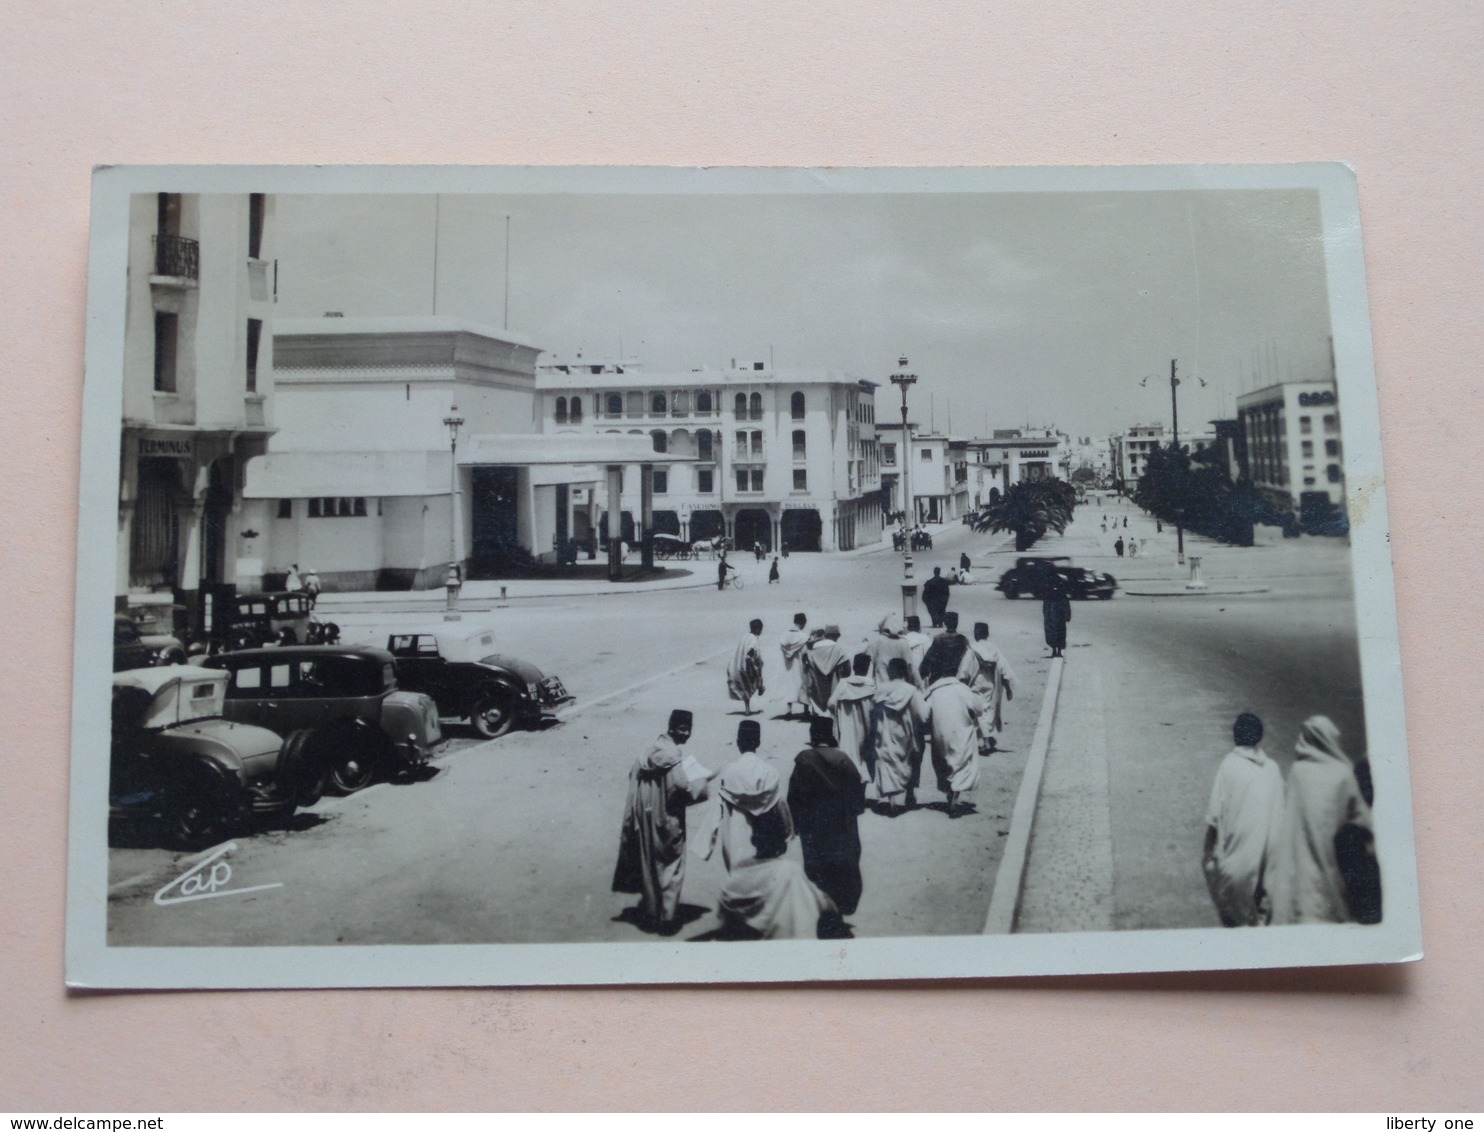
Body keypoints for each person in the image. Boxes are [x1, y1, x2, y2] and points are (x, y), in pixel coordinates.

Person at [1269, 715, 1380, 925]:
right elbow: (1364, 824)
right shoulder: (1344, 774)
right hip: (1333, 872)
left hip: (1300, 878)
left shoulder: (1298, 772)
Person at [612, 710, 716, 933]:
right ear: (674, 728)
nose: (687, 734)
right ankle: (667, 918)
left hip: (644, 815)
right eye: (684, 730)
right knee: (672, 863)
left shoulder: (648, 750)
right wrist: (707, 779)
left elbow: (632, 776)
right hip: (666, 816)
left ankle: (651, 912)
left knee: (648, 861)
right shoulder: (673, 757)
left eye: (689, 730)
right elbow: (684, 787)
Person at [1200, 713, 1285, 927]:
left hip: (1237, 869)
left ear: (1236, 736)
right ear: (1259, 737)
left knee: (1235, 920)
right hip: (1270, 868)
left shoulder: (1229, 765)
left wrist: (1207, 852)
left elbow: (1214, 815)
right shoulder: (1272, 768)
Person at [788, 716, 866, 936]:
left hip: (813, 829)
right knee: (842, 869)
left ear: (813, 736)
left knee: (816, 869)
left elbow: (793, 797)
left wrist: (795, 825)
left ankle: (823, 913)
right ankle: (837, 913)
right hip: (841, 828)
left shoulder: (804, 760)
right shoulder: (843, 760)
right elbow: (857, 797)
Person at [714, 809, 833, 940]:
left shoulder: (739, 871)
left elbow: (724, 915)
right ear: (782, 842)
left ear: (754, 839)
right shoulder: (789, 870)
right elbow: (824, 904)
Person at [693, 723, 794, 873]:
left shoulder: (729, 772)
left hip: (735, 840)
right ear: (758, 743)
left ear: (738, 742)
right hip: (763, 841)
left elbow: (717, 810)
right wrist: (788, 831)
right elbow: (781, 805)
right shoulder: (769, 772)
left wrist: (704, 845)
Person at [868, 657, 929, 814]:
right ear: (905, 672)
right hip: (908, 735)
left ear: (889, 672)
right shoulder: (911, 691)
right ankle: (910, 792)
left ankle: (892, 800)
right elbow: (923, 715)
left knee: (887, 764)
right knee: (912, 761)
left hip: (886, 734)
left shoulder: (880, 690)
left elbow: (872, 711)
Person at [924, 666, 984, 816]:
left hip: (940, 734)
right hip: (961, 732)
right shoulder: (962, 689)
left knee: (945, 763)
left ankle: (951, 791)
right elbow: (979, 708)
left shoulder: (933, 692)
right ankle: (955, 797)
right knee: (962, 763)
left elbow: (925, 715)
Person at [957, 621, 1014, 755]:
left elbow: (964, 671)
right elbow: (1003, 668)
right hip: (990, 684)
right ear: (987, 634)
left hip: (976, 683)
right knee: (987, 709)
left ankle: (985, 740)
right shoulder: (993, 649)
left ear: (976, 634)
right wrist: (1007, 687)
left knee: (977, 711)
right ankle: (987, 738)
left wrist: (961, 683)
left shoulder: (972, 649)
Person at [827, 653, 877, 785]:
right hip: (866, 729)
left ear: (854, 667)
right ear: (867, 668)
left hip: (847, 730)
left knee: (849, 759)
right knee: (865, 760)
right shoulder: (871, 685)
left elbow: (831, 704)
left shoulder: (843, 683)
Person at [802, 624, 850, 718]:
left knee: (818, 716)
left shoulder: (812, 649)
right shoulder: (838, 649)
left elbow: (805, 666)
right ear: (837, 635)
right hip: (833, 689)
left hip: (816, 689)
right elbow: (847, 669)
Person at [868, 612, 918, 689]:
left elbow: (872, 663)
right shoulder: (903, 642)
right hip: (900, 685)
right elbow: (911, 666)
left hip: (881, 685)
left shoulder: (877, 642)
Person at [919, 610, 971, 685]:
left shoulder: (938, 639)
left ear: (945, 623)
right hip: (958, 679)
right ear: (957, 622)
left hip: (939, 679)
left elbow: (927, 660)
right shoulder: (963, 640)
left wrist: (923, 673)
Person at [726, 619, 766, 715]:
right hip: (747, 666)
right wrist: (752, 670)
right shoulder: (753, 640)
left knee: (746, 688)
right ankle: (760, 688)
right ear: (757, 629)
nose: (761, 631)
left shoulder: (746, 636)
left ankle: (747, 708)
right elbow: (750, 655)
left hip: (739, 665)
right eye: (761, 629)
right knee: (755, 682)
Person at [778, 613, 811, 719]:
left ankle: (788, 711)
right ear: (803, 622)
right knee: (803, 686)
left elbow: (783, 649)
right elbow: (806, 652)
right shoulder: (804, 637)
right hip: (800, 665)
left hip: (788, 665)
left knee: (789, 685)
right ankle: (806, 711)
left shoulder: (784, 636)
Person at [1042, 581, 1071, 659]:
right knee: (1057, 634)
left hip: (1056, 618)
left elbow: (1045, 608)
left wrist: (1067, 615)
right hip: (1055, 619)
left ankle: (1056, 651)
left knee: (1055, 634)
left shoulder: (1051, 596)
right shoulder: (1060, 595)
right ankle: (1056, 651)